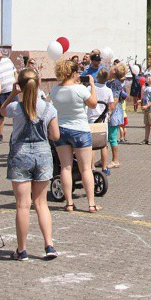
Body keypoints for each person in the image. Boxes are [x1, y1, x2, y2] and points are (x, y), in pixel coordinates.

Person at [0, 69, 61, 260]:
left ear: (21, 85)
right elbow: (56, 136)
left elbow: (1, 111)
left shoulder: (16, 108)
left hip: (20, 154)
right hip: (43, 154)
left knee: (22, 206)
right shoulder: (48, 108)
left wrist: (12, 93)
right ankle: (49, 245)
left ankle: (22, 250)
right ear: (39, 83)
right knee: (41, 203)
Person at [50, 59, 101, 213]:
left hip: (61, 129)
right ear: (73, 73)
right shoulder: (79, 89)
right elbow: (93, 103)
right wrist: (92, 85)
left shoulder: (54, 90)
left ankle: (69, 203)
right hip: (80, 129)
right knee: (85, 169)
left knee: (65, 167)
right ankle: (91, 204)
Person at [88, 69, 115, 176]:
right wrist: (108, 113)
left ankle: (92, 167)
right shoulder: (108, 90)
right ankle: (104, 167)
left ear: (97, 77)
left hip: (91, 118)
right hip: (103, 119)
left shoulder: (90, 88)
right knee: (104, 145)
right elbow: (111, 105)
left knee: (91, 145)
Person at [105, 64, 127, 168]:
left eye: (113, 67)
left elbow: (115, 99)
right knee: (106, 137)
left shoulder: (115, 83)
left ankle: (115, 160)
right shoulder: (110, 82)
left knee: (112, 137)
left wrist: (109, 112)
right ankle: (103, 158)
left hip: (113, 113)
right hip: (109, 111)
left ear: (114, 71)